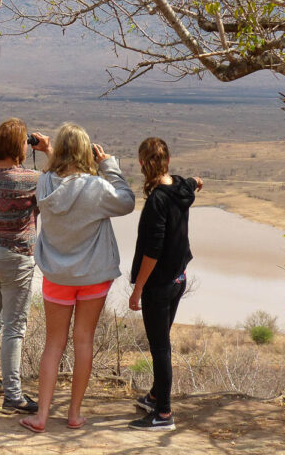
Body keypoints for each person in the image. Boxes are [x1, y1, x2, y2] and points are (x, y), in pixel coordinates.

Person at [19, 123, 135, 433]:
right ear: (87, 152)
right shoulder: (97, 187)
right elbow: (126, 201)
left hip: (57, 276)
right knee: (84, 340)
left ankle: (41, 417)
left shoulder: (44, 183)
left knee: (53, 344)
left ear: (60, 150)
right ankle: (74, 414)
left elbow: (60, 178)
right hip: (94, 275)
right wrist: (109, 167)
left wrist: (49, 150)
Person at [0, 118, 52, 413]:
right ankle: (13, 396)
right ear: (19, 146)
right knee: (14, 327)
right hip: (16, 257)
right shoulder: (29, 179)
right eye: (24, 141)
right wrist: (48, 150)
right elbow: (57, 181)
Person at [128, 137, 203, 431]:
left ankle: (163, 414)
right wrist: (197, 181)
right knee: (162, 343)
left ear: (142, 164)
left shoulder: (157, 201)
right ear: (168, 161)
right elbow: (192, 183)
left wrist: (137, 289)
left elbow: (153, 251)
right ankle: (155, 396)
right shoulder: (180, 187)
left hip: (159, 286)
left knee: (160, 348)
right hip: (178, 279)